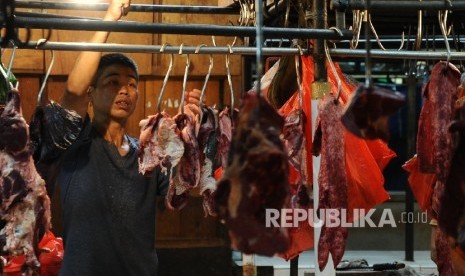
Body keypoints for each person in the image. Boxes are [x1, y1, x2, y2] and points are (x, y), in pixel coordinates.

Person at [34, 0, 202, 275]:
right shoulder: (75, 142)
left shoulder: (147, 153)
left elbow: (184, 188)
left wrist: (195, 131)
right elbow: (74, 90)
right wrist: (109, 18)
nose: (124, 90)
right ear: (92, 92)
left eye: (132, 85)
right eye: (113, 81)